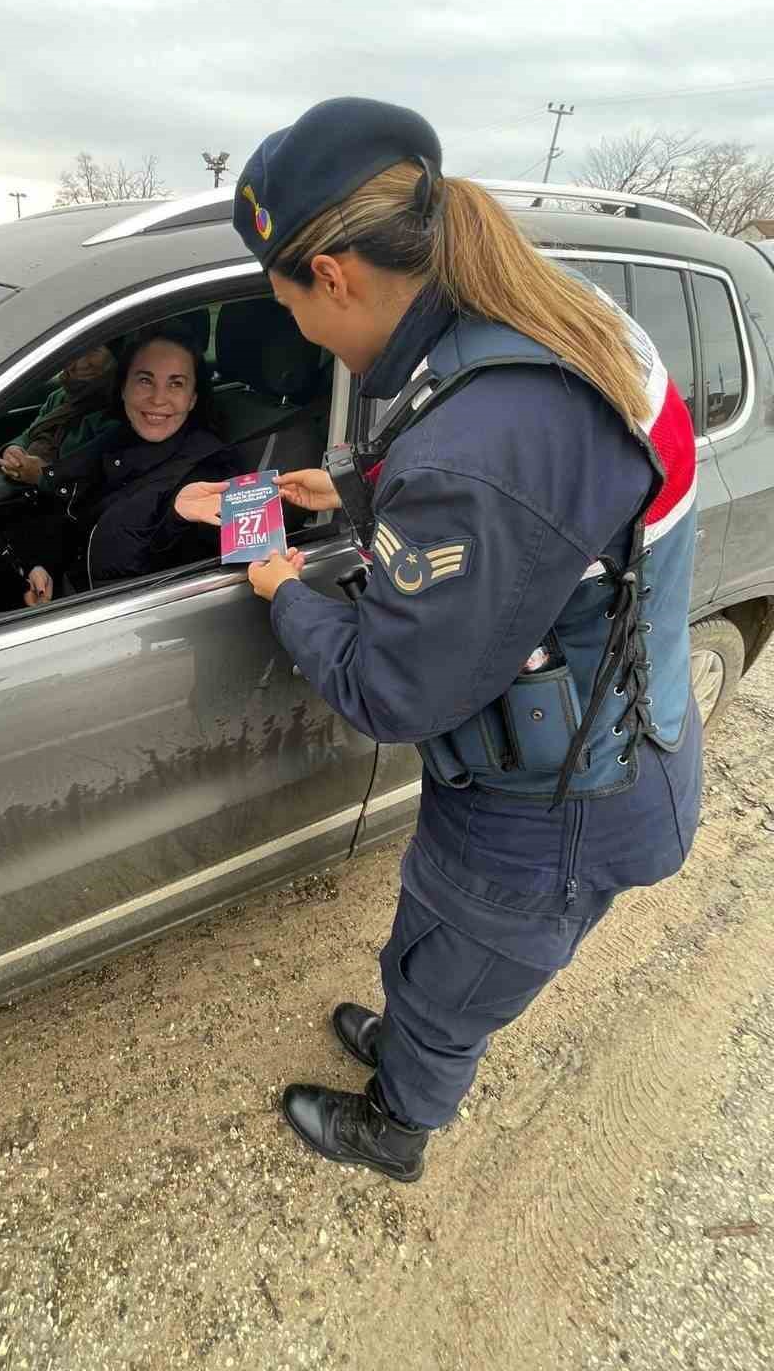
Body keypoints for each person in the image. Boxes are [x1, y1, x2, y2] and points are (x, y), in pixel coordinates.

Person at [213, 96, 702, 1184]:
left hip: (553, 807)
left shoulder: (486, 445)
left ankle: (399, 1124)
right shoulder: (546, 318)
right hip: (600, 742)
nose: (301, 330)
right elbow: (534, 499)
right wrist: (355, 488)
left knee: (454, 976)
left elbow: (392, 692)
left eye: (291, 305)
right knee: (437, 947)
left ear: (334, 275)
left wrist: (283, 581)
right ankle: (409, 1045)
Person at [22, 329, 244, 605]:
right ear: (124, 388)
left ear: (193, 399)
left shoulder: (214, 469)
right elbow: (64, 503)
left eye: (176, 384)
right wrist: (42, 565)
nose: (158, 398)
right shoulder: (114, 439)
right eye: (145, 381)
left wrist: (173, 521)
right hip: (68, 601)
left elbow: (204, 580)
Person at [0, 344, 118, 486]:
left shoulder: (116, 412)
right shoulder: (59, 396)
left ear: (115, 353)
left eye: (94, 350)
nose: (82, 363)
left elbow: (92, 480)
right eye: (73, 354)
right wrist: (13, 450)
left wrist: (43, 476)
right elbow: (31, 433)